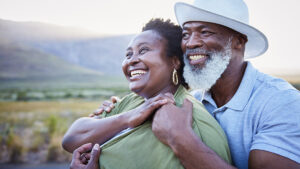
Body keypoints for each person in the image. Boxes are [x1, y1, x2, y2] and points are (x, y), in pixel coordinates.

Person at [93, 0, 300, 168]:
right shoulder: (190, 102)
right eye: (186, 34)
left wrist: (180, 139)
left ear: (239, 41)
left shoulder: (281, 103)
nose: (191, 43)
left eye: (205, 32)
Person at [62, 18, 231, 169]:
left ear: (174, 61)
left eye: (143, 51)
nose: (132, 60)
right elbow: (71, 139)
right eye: (128, 54)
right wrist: (130, 116)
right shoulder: (129, 103)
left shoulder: (193, 121)